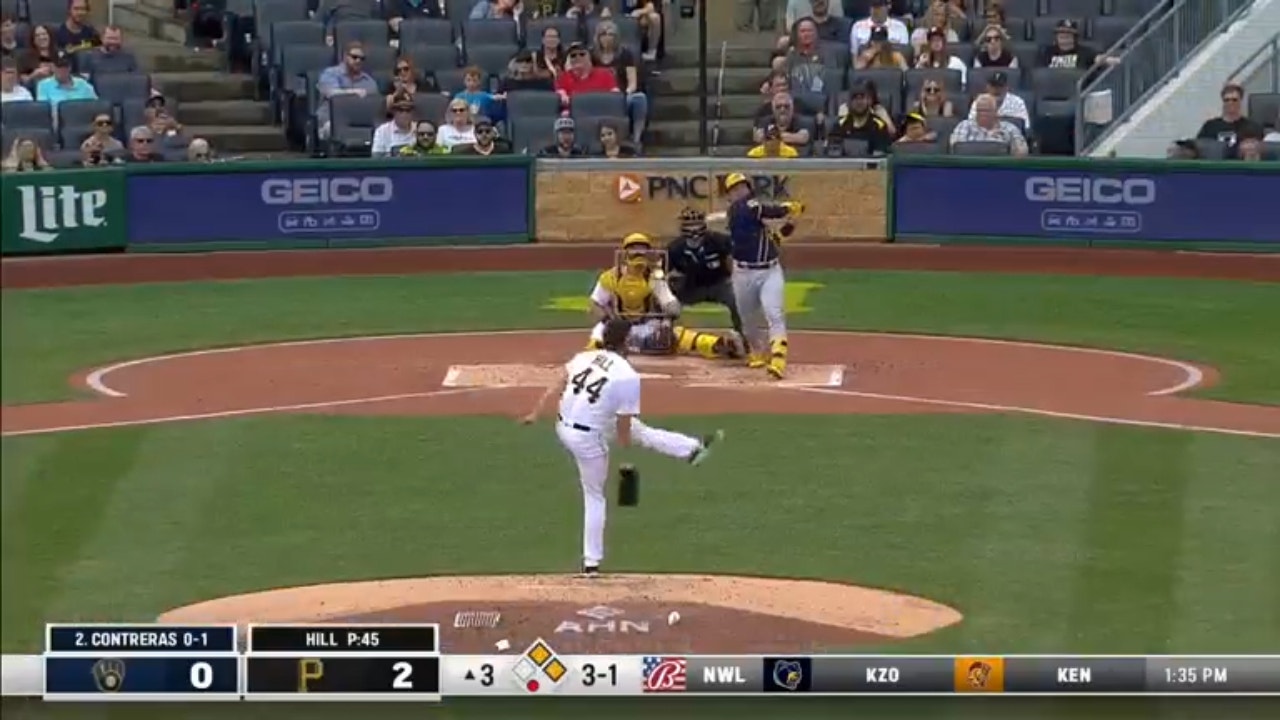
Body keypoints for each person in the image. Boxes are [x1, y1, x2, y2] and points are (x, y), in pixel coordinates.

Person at [519, 316, 724, 577]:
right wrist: (626, 457)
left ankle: (690, 449)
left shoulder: (585, 357)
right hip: (586, 439)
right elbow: (624, 425)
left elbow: (558, 384)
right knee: (594, 495)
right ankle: (591, 561)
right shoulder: (627, 376)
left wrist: (535, 413)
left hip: (566, 424)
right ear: (626, 342)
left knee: (641, 431)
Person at [582, 233, 744, 360]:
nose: (638, 253)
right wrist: (609, 321)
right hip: (616, 326)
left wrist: (670, 312)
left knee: (675, 334)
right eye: (634, 249)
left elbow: (669, 303)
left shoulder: (654, 277)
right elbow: (595, 304)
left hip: (646, 325)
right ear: (625, 253)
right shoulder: (610, 277)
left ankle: (717, 345)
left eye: (642, 249)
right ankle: (596, 356)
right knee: (598, 335)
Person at [718, 172, 803, 378]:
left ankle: (778, 358)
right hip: (743, 273)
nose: (740, 191)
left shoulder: (751, 212)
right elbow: (766, 210)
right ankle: (757, 350)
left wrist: (790, 222)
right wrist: (788, 208)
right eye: (735, 189)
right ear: (729, 194)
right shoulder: (744, 209)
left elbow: (775, 237)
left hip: (769, 271)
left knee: (774, 314)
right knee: (747, 319)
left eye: (743, 187)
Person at [665, 207, 747, 346]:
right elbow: (663, 273)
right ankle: (665, 335)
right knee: (666, 303)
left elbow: (732, 262)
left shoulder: (719, 240)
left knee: (737, 299)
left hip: (719, 283)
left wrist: (736, 280)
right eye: (689, 226)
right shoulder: (674, 248)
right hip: (690, 287)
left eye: (697, 225)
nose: (694, 231)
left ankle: (743, 335)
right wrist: (669, 293)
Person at [591, 20, 647, 144]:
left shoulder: (625, 54)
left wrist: (623, 95)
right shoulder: (591, 55)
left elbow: (632, 83)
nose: (607, 38)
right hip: (597, 96)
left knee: (639, 99)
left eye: (610, 34)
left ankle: (636, 138)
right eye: (603, 34)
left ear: (616, 37)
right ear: (598, 37)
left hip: (621, 96)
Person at [316, 42, 379, 140]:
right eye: (354, 57)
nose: (358, 61)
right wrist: (355, 93)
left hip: (359, 122)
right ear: (345, 56)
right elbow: (331, 93)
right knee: (332, 129)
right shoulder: (330, 73)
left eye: (362, 59)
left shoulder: (369, 82)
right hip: (330, 120)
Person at [829, 80, 894, 155]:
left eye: (862, 98)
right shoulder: (840, 125)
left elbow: (880, 155)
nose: (859, 102)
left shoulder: (879, 126)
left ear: (869, 101)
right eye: (855, 98)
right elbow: (833, 153)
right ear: (849, 102)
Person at [949, 93, 1028, 155]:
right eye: (980, 110)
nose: (982, 113)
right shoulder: (964, 126)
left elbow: (1022, 152)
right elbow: (955, 148)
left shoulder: (1010, 128)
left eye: (986, 110)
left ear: (995, 112)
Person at [1196, 83, 1263, 154]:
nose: (1230, 103)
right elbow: (1200, 148)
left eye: (1234, 100)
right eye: (1227, 100)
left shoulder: (1253, 127)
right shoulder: (1210, 126)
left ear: (1241, 101)